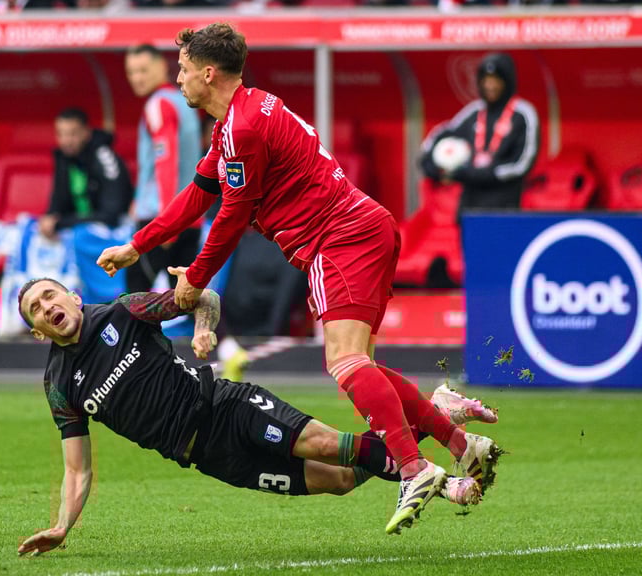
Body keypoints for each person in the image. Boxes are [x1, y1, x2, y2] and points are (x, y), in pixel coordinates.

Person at [97, 23, 502, 534]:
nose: (176, 79)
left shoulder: (241, 130)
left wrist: (195, 280)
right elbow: (199, 193)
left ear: (207, 71)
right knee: (362, 364)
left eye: (181, 69)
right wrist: (138, 245)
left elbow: (231, 217)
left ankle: (415, 469)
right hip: (363, 227)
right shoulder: (239, 117)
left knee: (346, 361)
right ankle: (460, 443)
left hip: (340, 239)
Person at [15, 277, 491, 555]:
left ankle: (439, 479)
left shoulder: (123, 311)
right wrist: (63, 526)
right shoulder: (59, 386)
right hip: (209, 457)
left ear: (73, 298)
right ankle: (430, 415)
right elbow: (77, 468)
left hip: (225, 408)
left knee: (326, 443)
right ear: (37, 332)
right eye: (36, 309)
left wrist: (203, 330)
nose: (48, 307)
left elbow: (203, 296)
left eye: (51, 295)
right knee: (341, 480)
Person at [420, 52, 539, 219]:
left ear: (508, 81)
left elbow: (522, 164)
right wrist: (430, 164)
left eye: (496, 80)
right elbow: (442, 134)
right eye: (486, 80)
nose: (490, 85)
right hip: (469, 207)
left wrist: (480, 174)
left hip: (504, 207)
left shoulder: (523, 113)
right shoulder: (474, 111)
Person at [123, 44, 203, 295]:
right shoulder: (183, 102)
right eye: (131, 72)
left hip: (161, 218)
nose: (137, 78)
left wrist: (168, 225)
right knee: (188, 297)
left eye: (143, 70)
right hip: (190, 215)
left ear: (162, 67)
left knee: (134, 297)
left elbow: (166, 164)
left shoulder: (158, 105)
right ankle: (220, 336)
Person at [37, 108, 133, 241]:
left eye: (72, 134)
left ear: (86, 133)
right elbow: (58, 202)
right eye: (61, 134)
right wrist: (50, 217)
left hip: (111, 229)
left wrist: (61, 223)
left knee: (81, 239)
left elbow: (112, 214)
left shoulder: (104, 157)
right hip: (75, 225)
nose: (66, 141)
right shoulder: (63, 157)